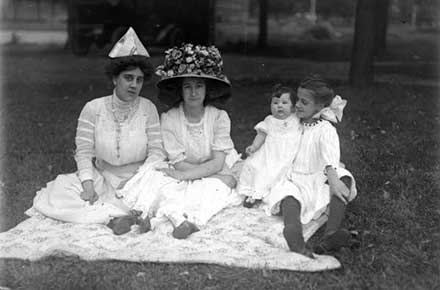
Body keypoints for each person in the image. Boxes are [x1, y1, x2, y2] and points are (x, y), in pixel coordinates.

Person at [26, 28, 166, 234]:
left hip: (139, 178)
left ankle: (113, 214)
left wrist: (138, 179)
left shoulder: (148, 108)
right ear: (114, 79)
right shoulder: (93, 108)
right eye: (128, 78)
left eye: (139, 79)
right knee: (60, 190)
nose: (134, 85)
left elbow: (157, 151)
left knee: (165, 193)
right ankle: (114, 217)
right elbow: (83, 152)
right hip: (103, 174)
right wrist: (88, 184)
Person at [154, 43, 242, 239]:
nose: (193, 93)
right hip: (186, 169)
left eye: (199, 86)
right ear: (180, 90)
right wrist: (186, 175)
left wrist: (186, 176)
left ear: (207, 89)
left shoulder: (219, 117)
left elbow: (218, 162)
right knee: (168, 187)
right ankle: (175, 218)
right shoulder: (169, 118)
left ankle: (195, 220)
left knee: (214, 189)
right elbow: (178, 163)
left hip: (214, 170)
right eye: (188, 86)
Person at [264, 75, 357, 257]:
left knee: (343, 178)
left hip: (318, 176)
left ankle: (330, 234)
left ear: (320, 107)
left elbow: (330, 156)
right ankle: (294, 233)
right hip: (292, 177)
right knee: (289, 197)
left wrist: (333, 178)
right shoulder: (291, 123)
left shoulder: (324, 128)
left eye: (304, 102)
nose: (297, 104)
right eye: (297, 99)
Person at [237, 84, 301, 208]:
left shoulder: (296, 119)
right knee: (255, 166)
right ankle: (253, 193)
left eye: (284, 102)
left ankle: (271, 193)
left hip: (286, 155)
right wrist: (254, 147)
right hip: (269, 153)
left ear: (293, 107)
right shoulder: (269, 121)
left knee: (279, 173)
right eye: (275, 103)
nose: (279, 106)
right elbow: (261, 135)